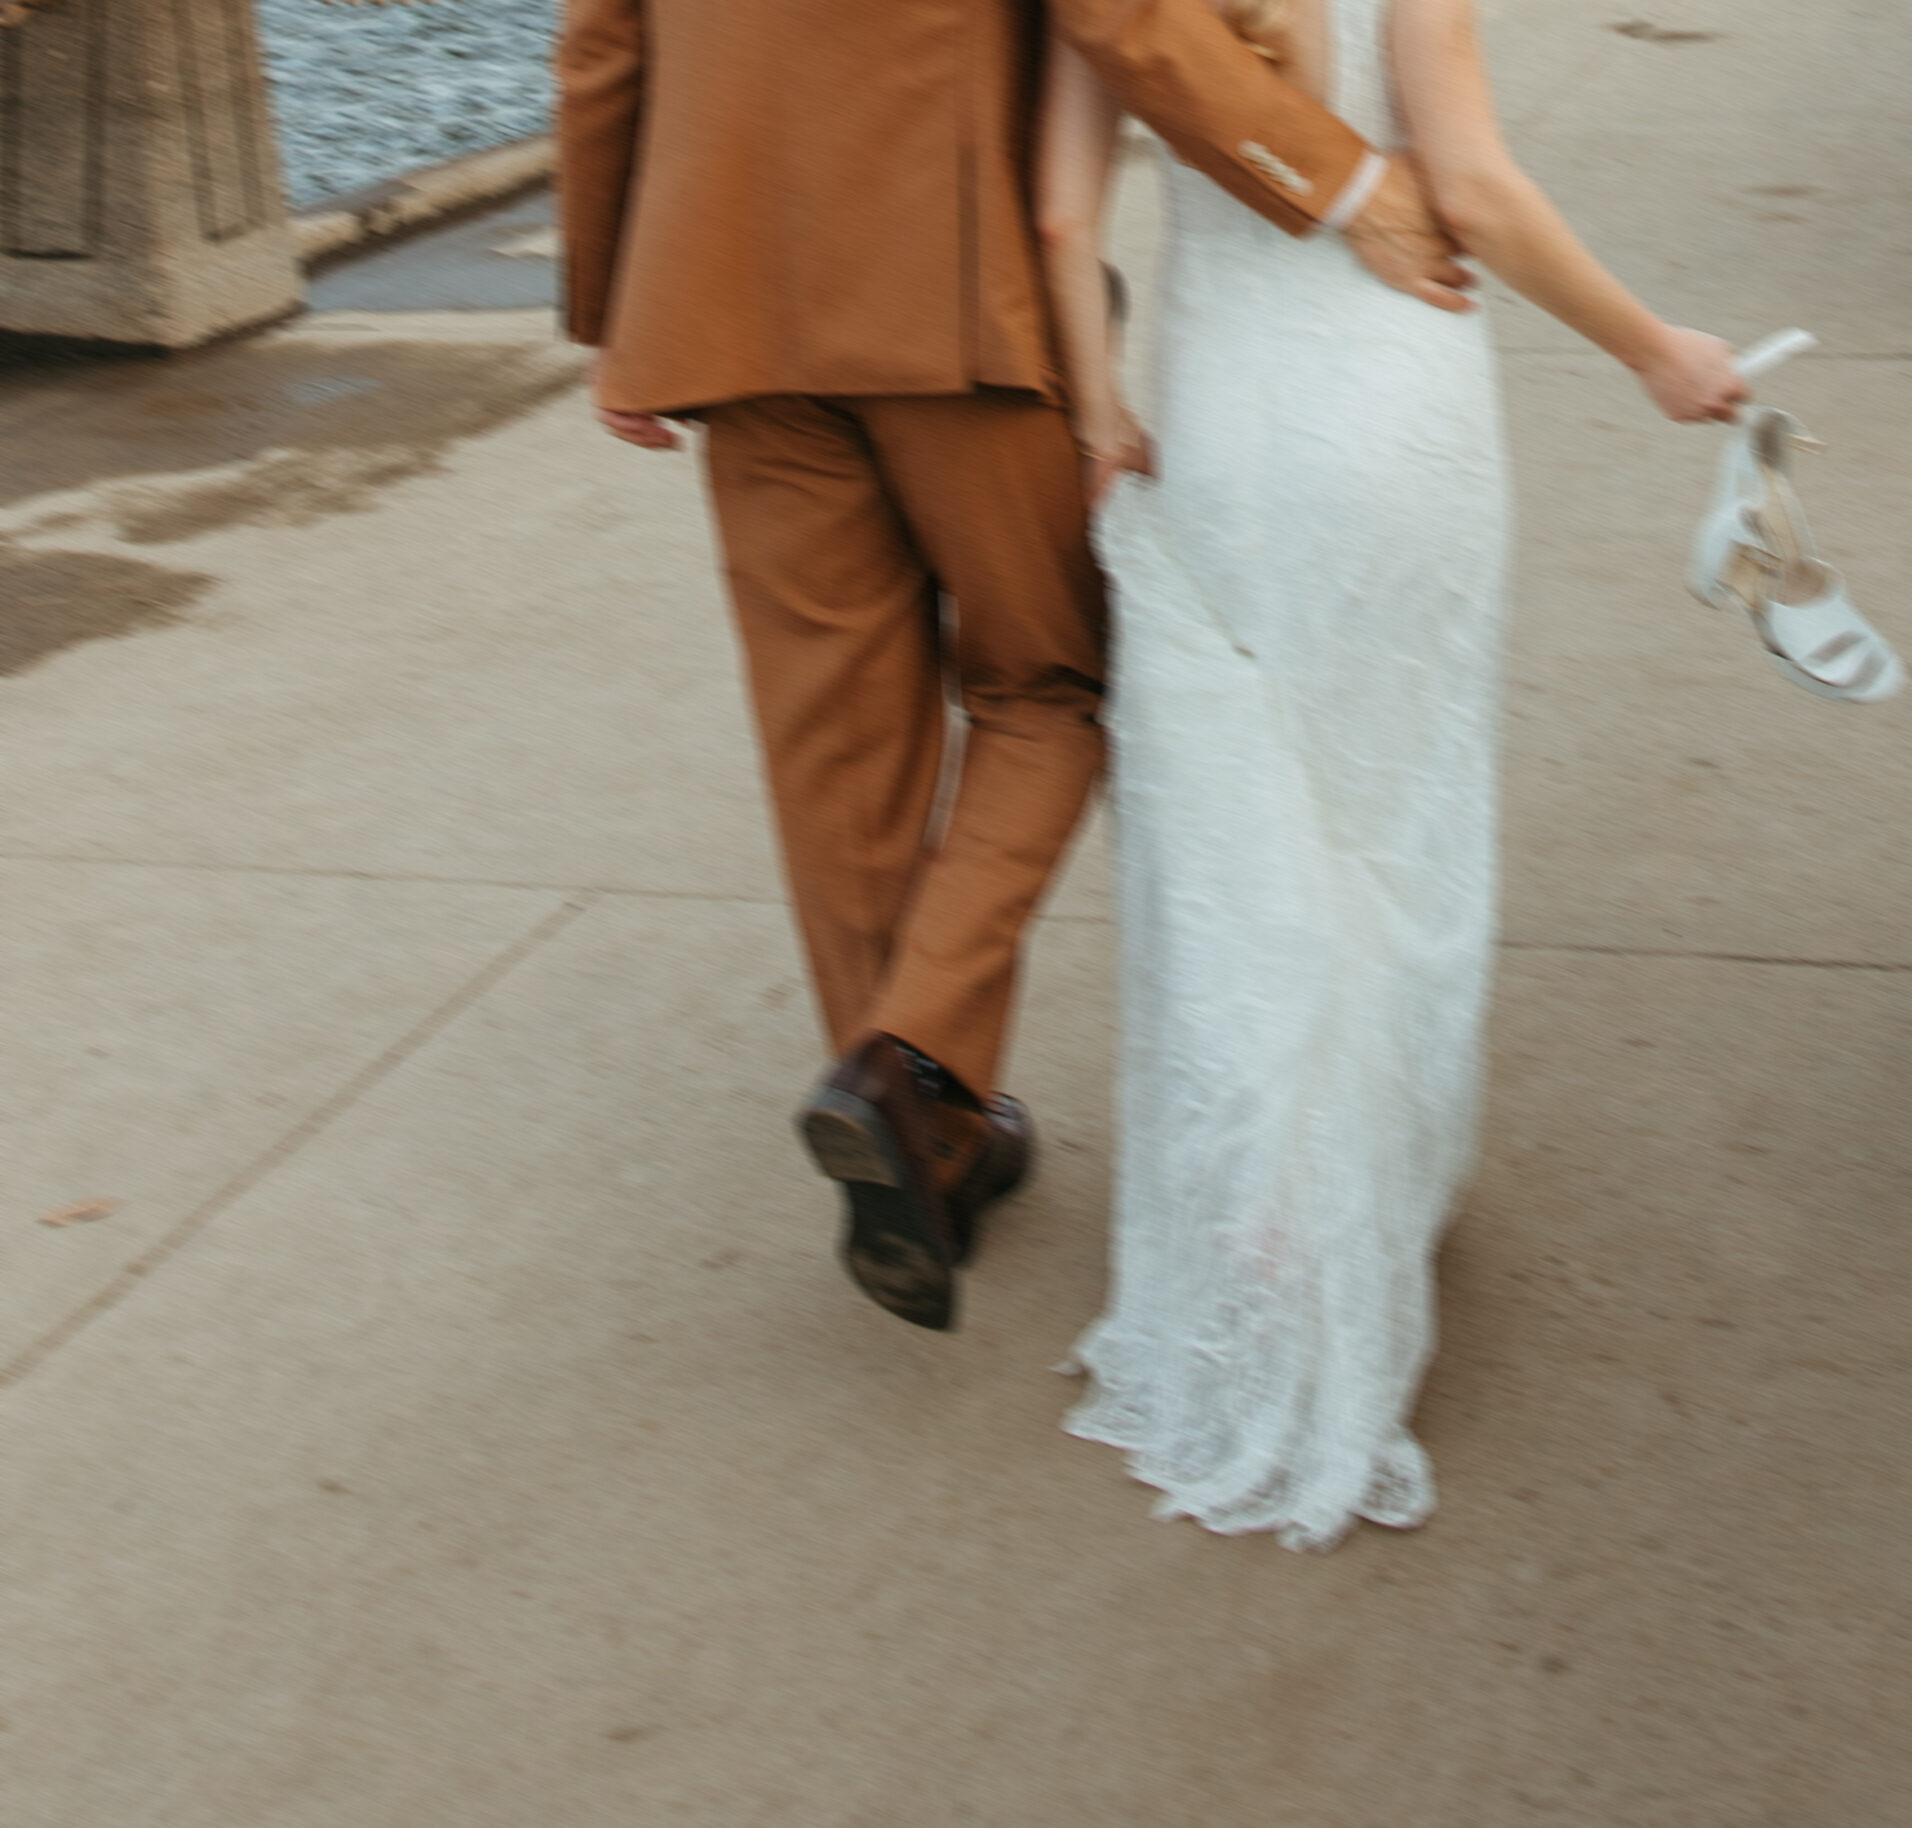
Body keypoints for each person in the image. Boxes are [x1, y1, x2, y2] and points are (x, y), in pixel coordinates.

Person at [553, 0, 1482, 1332]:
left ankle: (925, 1135)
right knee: (1055, 689)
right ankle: (905, 1066)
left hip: (723, 300)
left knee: (835, 752)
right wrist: (1338, 180)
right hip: (951, 298)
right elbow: (1126, 16)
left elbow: (601, 40)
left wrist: (609, 303)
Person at [1037, 0, 1749, 1548]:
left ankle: (1266, 1235)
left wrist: (1101, 404)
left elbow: (1057, 208)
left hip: (1226, 420)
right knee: (1395, 825)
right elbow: (1474, 192)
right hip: (1394, 416)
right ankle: (1369, 1204)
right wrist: (1656, 351)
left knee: (1248, 832)